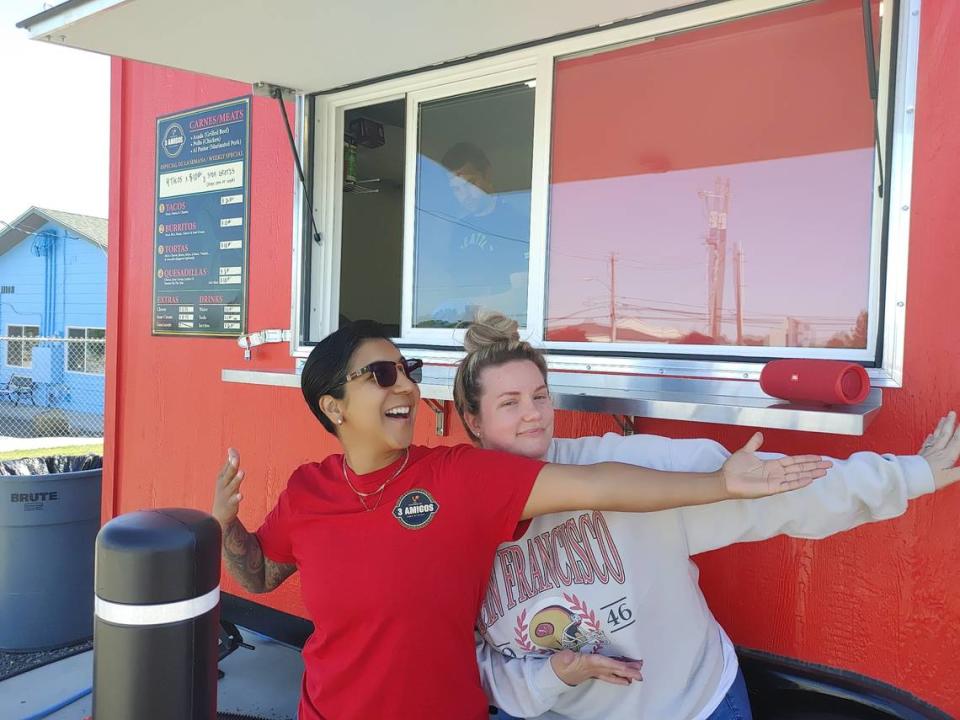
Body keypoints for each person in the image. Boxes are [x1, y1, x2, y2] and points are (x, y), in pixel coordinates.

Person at [211, 319, 830, 720]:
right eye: (381, 374)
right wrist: (225, 526)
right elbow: (261, 576)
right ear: (333, 406)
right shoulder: (308, 490)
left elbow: (597, 484)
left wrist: (719, 482)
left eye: (407, 370)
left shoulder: (455, 476)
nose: (403, 385)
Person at [456, 311, 960, 720]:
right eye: (510, 402)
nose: (533, 414)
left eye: (540, 396)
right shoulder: (452, 522)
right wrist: (550, 677)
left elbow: (782, 489)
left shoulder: (629, 468)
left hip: (695, 706)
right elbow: (468, 661)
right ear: (473, 421)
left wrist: (912, 475)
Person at [416, 142, 531, 326]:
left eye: (470, 183)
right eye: (456, 189)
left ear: (487, 174)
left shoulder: (515, 223)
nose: (465, 195)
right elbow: (456, 286)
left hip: (502, 328)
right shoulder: (460, 229)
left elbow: (521, 294)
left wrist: (470, 306)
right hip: (466, 327)